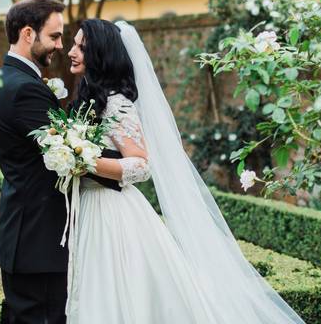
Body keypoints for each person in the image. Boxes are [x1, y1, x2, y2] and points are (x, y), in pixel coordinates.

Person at [64, 18, 305, 324]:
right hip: (87, 208)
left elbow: (140, 165)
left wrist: (82, 160)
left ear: (100, 53)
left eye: (80, 46)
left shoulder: (117, 104)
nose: (72, 51)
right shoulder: (87, 102)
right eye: (73, 44)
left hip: (114, 215)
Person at [0, 0, 120, 324]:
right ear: (28, 34)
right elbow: (66, 156)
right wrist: (124, 167)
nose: (60, 46)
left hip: (26, 236)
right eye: (55, 36)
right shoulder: (26, 89)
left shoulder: (9, 78)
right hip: (39, 241)